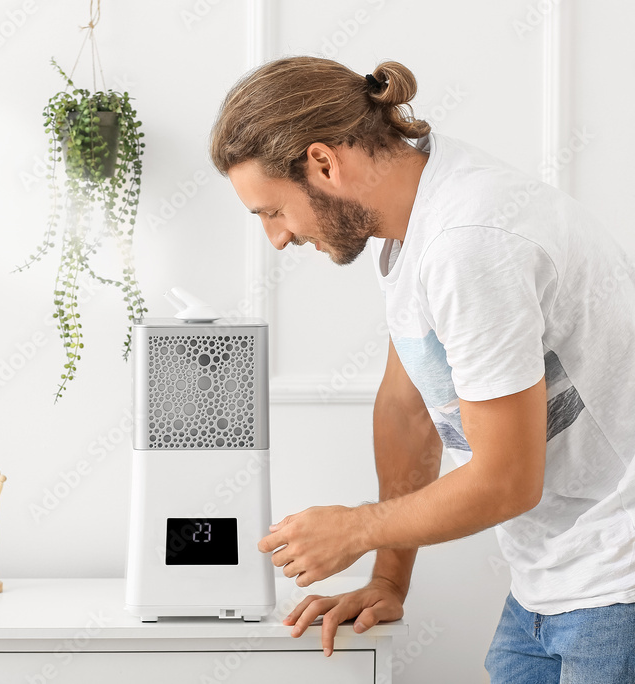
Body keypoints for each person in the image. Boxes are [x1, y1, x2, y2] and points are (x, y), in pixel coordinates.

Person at [209, 56, 635, 682]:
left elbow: (508, 480)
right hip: (553, 580)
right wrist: (387, 577)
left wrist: (353, 530)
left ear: (324, 162)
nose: (278, 238)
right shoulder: (415, 217)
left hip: (616, 581)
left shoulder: (469, 239)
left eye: (273, 211)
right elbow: (407, 411)